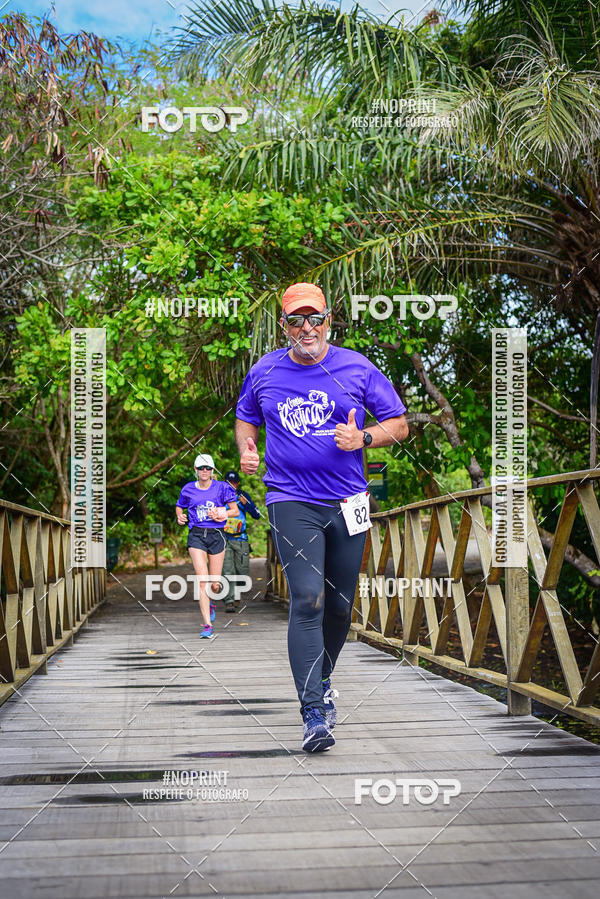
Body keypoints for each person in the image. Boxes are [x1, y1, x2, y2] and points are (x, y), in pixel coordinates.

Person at [235, 282, 408, 751]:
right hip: (290, 500)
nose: (306, 328)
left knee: (338, 606)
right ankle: (313, 712)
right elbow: (246, 417)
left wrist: (364, 440)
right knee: (308, 599)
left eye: (315, 319)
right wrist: (246, 450)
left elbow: (398, 423)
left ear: (329, 321)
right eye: (296, 320)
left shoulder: (357, 367)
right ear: (284, 326)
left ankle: (323, 679)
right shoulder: (265, 370)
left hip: (349, 502)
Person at [175, 453, 239, 638]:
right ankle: (207, 625)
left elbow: (234, 510)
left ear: (212, 470)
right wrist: (180, 515)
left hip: (217, 535)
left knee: (215, 585)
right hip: (196, 535)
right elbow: (180, 505)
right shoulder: (188, 489)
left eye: (208, 468)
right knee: (202, 581)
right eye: (201, 468)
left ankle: (211, 601)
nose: (204, 471)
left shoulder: (223, 488)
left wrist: (222, 512)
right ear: (195, 470)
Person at [221, 470, 260, 612]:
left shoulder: (243, 496)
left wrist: (247, 504)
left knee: (242, 572)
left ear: (238, 483)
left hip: (241, 539)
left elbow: (256, 515)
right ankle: (229, 600)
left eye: (234, 482)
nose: (231, 485)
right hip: (225, 538)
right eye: (228, 482)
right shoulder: (219, 496)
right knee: (227, 570)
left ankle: (236, 594)